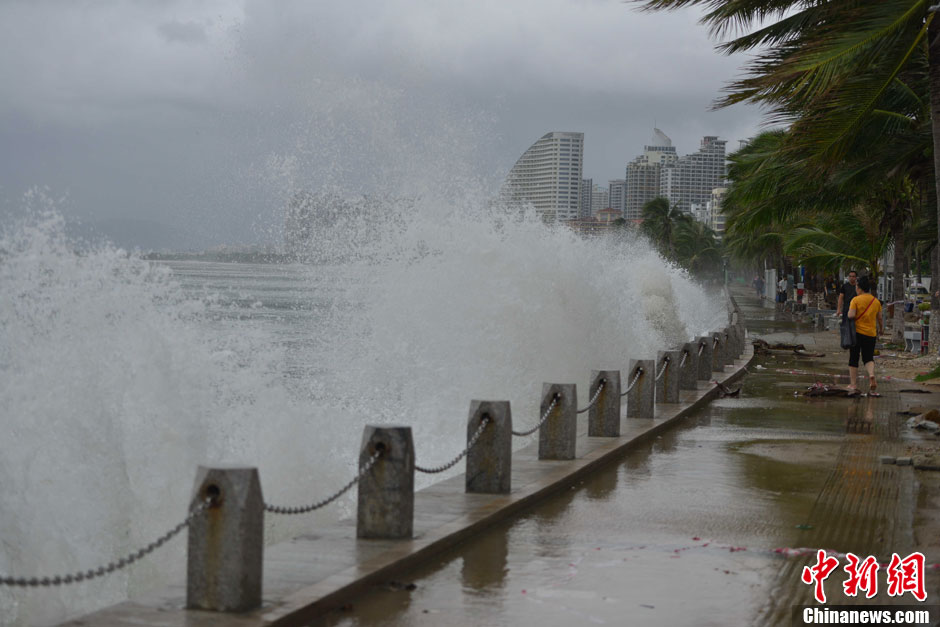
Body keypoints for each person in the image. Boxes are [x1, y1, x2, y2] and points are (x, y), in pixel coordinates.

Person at [846, 275, 884, 395]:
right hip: (871, 334)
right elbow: (880, 318)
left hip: (856, 334)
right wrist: (881, 329)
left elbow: (851, 315)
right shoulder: (876, 301)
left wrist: (849, 314)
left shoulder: (855, 300)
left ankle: (853, 384)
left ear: (860, 288)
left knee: (854, 358)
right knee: (868, 358)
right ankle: (871, 375)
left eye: (856, 287)